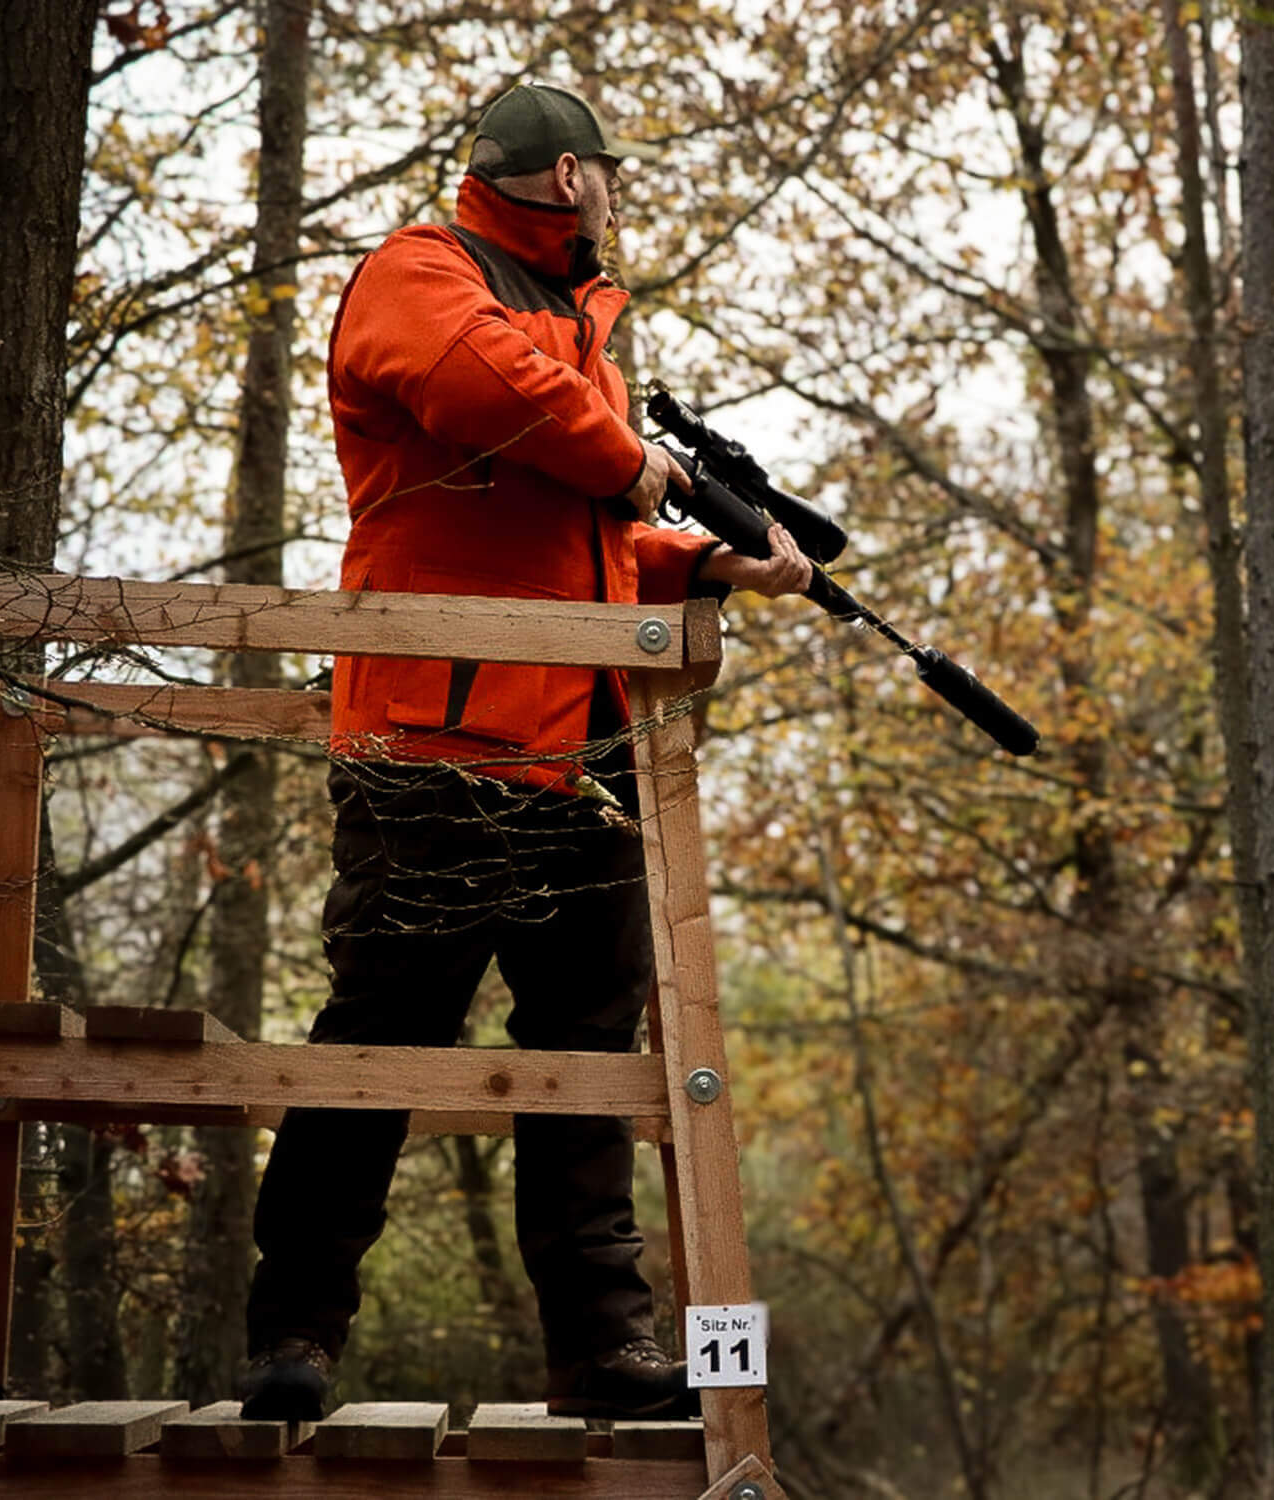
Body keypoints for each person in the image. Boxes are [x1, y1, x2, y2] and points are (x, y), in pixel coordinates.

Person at [238, 82, 810, 1423]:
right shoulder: (421, 270)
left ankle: (603, 1351)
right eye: (607, 172)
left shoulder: (578, 325)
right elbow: (479, 386)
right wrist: (631, 461)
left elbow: (579, 550)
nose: (613, 193)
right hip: (437, 745)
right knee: (382, 1033)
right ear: (568, 177)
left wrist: (706, 561)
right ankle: (293, 1336)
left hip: (587, 752)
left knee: (592, 1052)